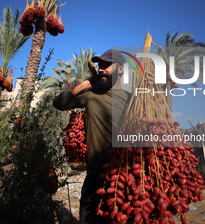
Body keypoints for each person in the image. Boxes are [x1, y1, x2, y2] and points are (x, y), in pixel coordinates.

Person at [53, 49, 153, 224]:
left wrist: (153, 88)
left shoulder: (132, 100)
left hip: (123, 178)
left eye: (107, 65)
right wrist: (86, 84)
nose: (101, 69)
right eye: (100, 65)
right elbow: (59, 103)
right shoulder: (91, 96)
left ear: (120, 69)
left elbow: (150, 125)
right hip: (94, 176)